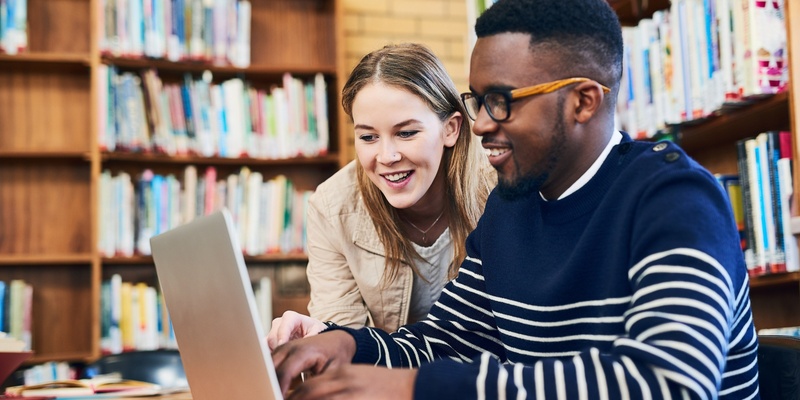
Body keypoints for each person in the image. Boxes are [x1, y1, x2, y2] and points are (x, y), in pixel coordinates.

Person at [271, 0, 761, 398]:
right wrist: (343, 344)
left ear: (583, 101)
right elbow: (444, 343)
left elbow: (668, 382)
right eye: (478, 100)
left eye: (502, 101)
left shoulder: (677, 200)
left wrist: (415, 387)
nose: (481, 124)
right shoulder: (510, 208)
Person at [267, 43, 495, 349]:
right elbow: (343, 346)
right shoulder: (332, 207)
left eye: (406, 133)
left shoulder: (499, 188)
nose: (386, 156)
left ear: (450, 129)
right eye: (368, 137)